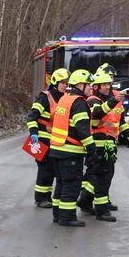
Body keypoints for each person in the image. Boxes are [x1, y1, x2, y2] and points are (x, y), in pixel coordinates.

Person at [48, 69, 96, 227]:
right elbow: (83, 129)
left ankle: (57, 214)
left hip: (56, 149)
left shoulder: (65, 99)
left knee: (61, 183)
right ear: (80, 85)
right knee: (72, 184)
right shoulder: (79, 102)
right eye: (89, 85)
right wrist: (91, 149)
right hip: (70, 151)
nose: (92, 88)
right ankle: (67, 217)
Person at [77, 69, 124, 222]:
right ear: (95, 86)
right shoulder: (92, 100)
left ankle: (85, 201)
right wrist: (113, 101)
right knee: (102, 177)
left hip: (106, 144)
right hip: (98, 145)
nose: (107, 87)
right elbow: (96, 114)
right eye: (104, 84)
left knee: (104, 175)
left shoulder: (102, 99)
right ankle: (101, 211)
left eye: (108, 84)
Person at [26, 68, 68, 208]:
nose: (65, 85)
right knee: (45, 169)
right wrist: (34, 133)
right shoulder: (45, 96)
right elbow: (32, 116)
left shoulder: (64, 97)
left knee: (52, 170)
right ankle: (41, 199)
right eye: (62, 82)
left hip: (55, 140)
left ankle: (46, 197)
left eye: (67, 82)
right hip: (42, 139)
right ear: (55, 82)